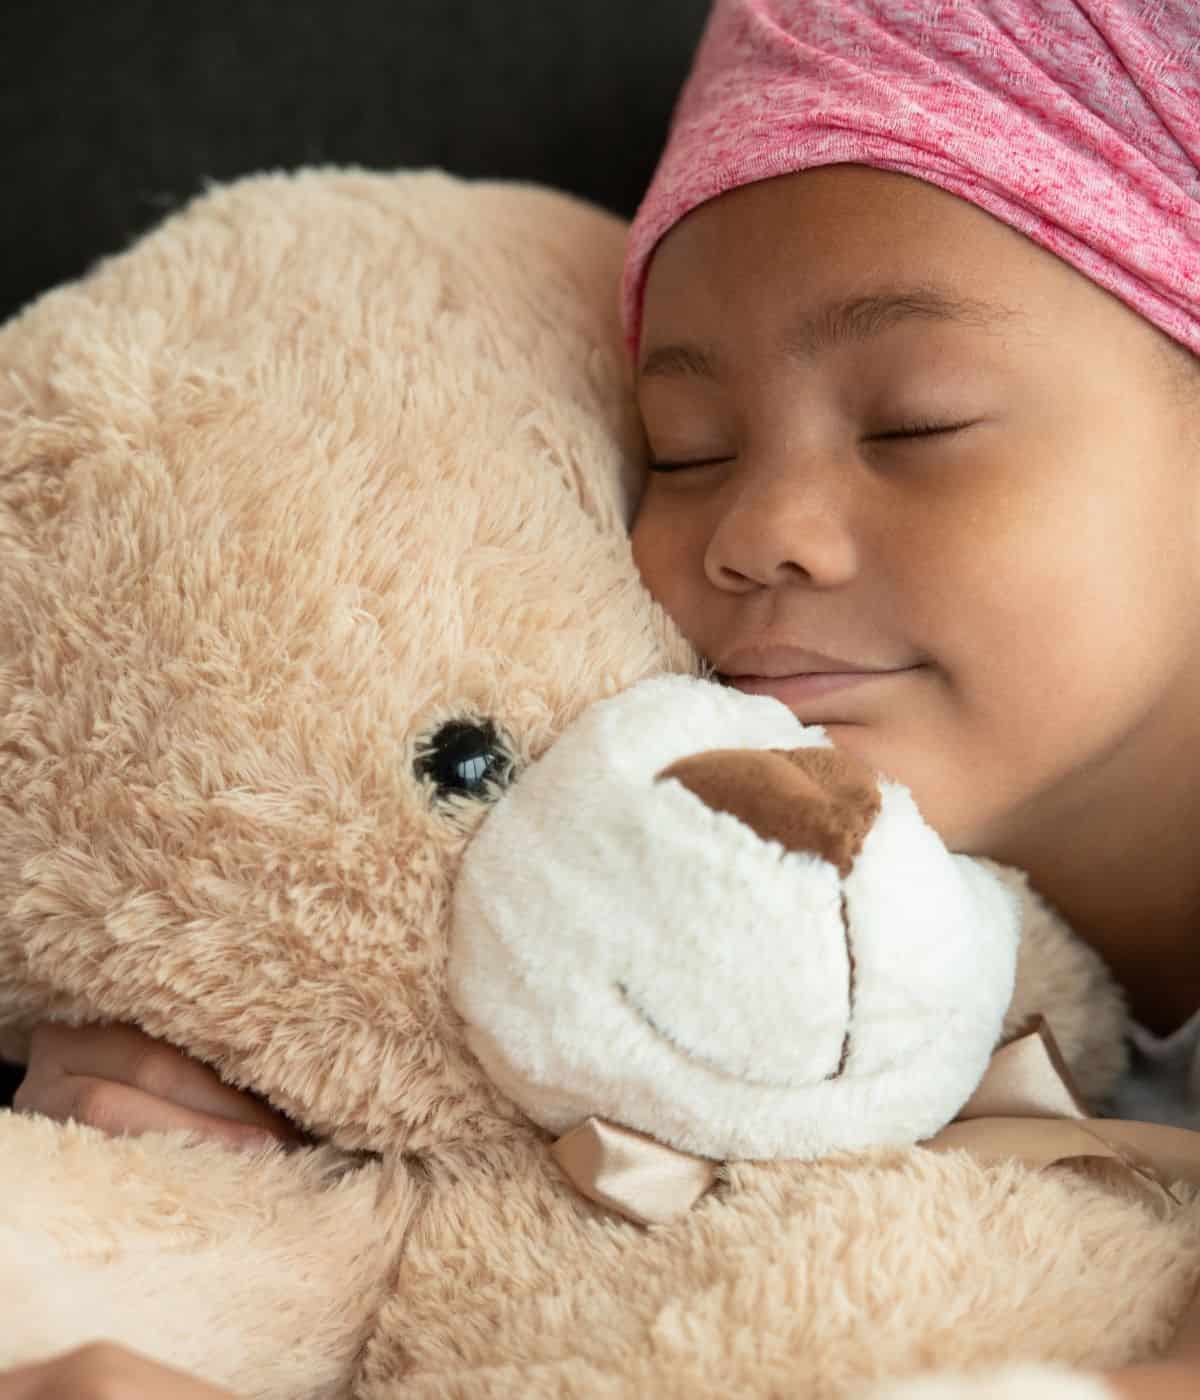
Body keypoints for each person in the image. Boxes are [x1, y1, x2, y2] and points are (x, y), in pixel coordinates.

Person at [7, 2, 1200, 1397]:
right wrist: (219, 1123)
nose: (757, 532)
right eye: (684, 451)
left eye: (914, 422)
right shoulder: (667, 862)